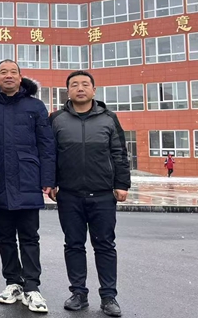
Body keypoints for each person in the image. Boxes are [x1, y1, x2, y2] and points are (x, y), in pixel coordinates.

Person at [49, 70, 130, 318]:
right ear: (68, 91)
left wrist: (122, 184)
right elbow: (50, 154)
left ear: (94, 90)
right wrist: (50, 182)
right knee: (73, 244)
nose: (80, 88)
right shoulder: (57, 119)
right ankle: (78, 293)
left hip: (103, 194)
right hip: (69, 194)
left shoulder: (109, 118)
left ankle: (109, 297)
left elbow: (119, 153)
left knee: (104, 245)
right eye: (74, 85)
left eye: (85, 84)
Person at [0, 60, 56, 313]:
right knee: (4, 237)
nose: (8, 76)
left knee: (29, 237)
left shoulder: (35, 106)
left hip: (28, 178)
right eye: (3, 72)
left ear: (20, 77)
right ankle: (12, 282)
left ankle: (32, 287)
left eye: (13, 72)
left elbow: (46, 145)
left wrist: (48, 179)